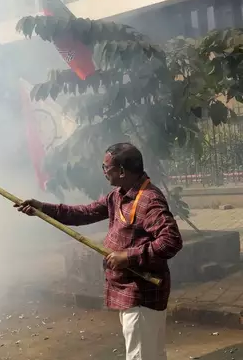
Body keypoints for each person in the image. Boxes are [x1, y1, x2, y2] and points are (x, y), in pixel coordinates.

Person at [16, 143, 183, 360]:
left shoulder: (149, 200)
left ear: (122, 171)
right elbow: (84, 213)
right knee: (150, 354)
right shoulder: (118, 195)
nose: (104, 172)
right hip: (129, 292)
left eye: (107, 168)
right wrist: (43, 208)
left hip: (142, 294)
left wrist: (128, 256)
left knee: (142, 356)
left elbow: (171, 241)